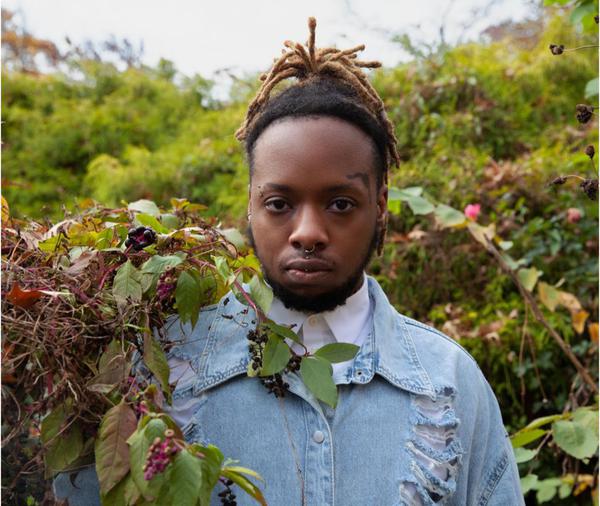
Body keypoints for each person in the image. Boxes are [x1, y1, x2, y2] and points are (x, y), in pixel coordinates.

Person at [54, 17, 523, 506]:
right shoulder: (161, 370)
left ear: (381, 205)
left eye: (340, 203)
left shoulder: (449, 382)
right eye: (279, 204)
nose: (308, 233)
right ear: (250, 205)